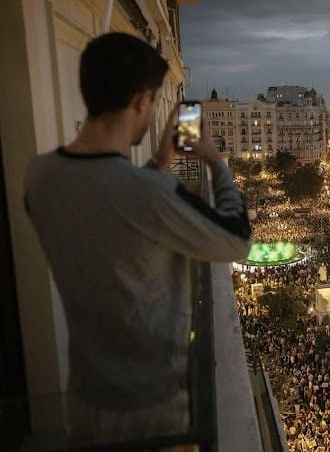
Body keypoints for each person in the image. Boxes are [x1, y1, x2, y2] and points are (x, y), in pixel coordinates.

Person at [23, 32, 252, 444]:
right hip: (154, 413)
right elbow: (235, 241)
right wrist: (217, 163)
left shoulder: (39, 177)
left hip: (84, 400)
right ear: (143, 101)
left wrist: (162, 161)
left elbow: (109, 207)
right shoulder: (147, 194)